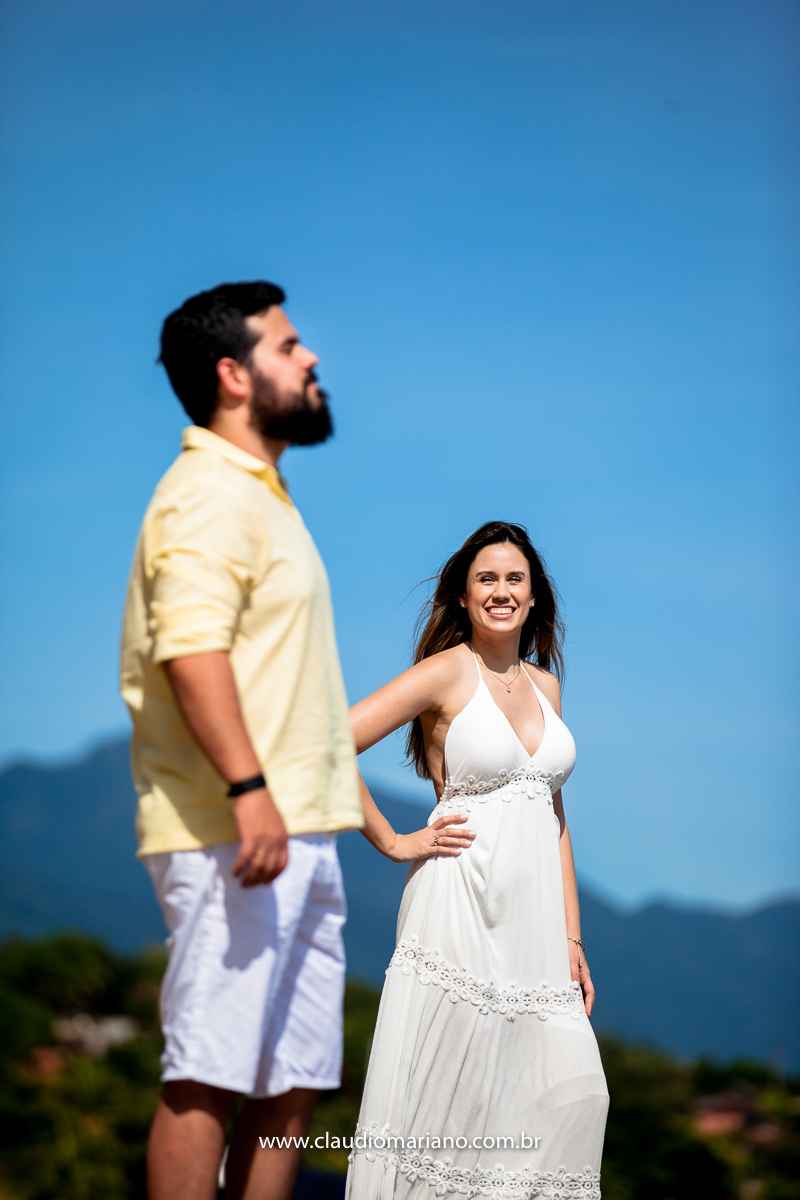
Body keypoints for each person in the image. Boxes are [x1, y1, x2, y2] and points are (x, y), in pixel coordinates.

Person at [120, 281, 364, 1200]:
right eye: (288, 346)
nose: (311, 358)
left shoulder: (266, 497)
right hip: (236, 828)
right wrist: (246, 788)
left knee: (293, 1084)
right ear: (233, 375)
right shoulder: (208, 494)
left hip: (302, 827)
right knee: (208, 1076)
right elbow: (190, 649)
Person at [345, 522, 609, 1200]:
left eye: (514, 578)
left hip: (536, 929)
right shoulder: (446, 671)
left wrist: (572, 938)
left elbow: (553, 816)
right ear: (463, 597)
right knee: (451, 1107)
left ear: (534, 595)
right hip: (457, 906)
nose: (501, 590)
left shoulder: (547, 687)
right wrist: (393, 841)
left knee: (575, 1094)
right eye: (485, 579)